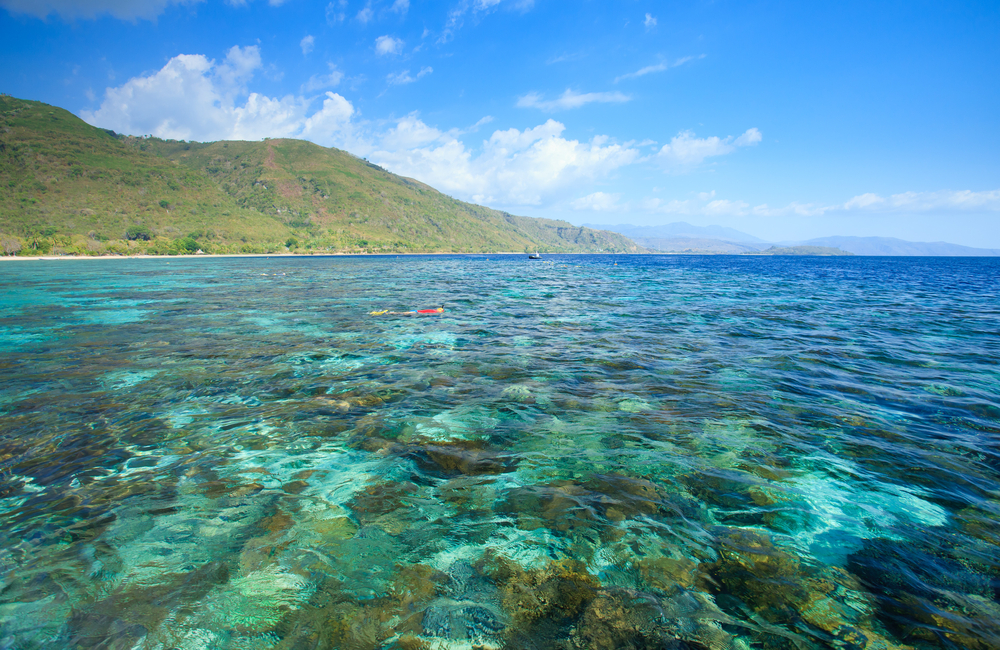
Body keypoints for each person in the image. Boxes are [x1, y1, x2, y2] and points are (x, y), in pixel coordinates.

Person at [369, 305, 444, 316]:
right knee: (400, 313)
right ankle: (387, 313)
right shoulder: (434, 312)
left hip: (415, 310)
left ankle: (388, 313)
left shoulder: (433, 310)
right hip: (415, 312)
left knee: (401, 313)